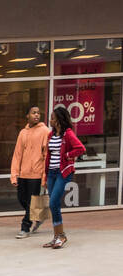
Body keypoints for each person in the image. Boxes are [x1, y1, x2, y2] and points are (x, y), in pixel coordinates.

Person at [43, 104, 87, 249]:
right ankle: (57, 236)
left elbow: (80, 148)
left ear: (58, 119)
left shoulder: (68, 133)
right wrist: (45, 175)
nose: (50, 120)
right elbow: (48, 156)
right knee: (54, 204)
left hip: (63, 172)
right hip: (51, 172)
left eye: (52, 118)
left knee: (53, 201)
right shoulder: (51, 135)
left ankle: (61, 235)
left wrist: (67, 155)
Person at [10, 105, 49, 238]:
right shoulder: (23, 133)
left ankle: (25, 227)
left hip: (36, 173)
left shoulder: (45, 131)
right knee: (22, 199)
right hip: (23, 173)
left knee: (31, 202)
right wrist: (14, 175)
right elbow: (17, 154)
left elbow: (46, 155)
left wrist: (44, 175)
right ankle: (38, 217)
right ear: (27, 115)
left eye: (38, 113)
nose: (36, 115)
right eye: (33, 113)